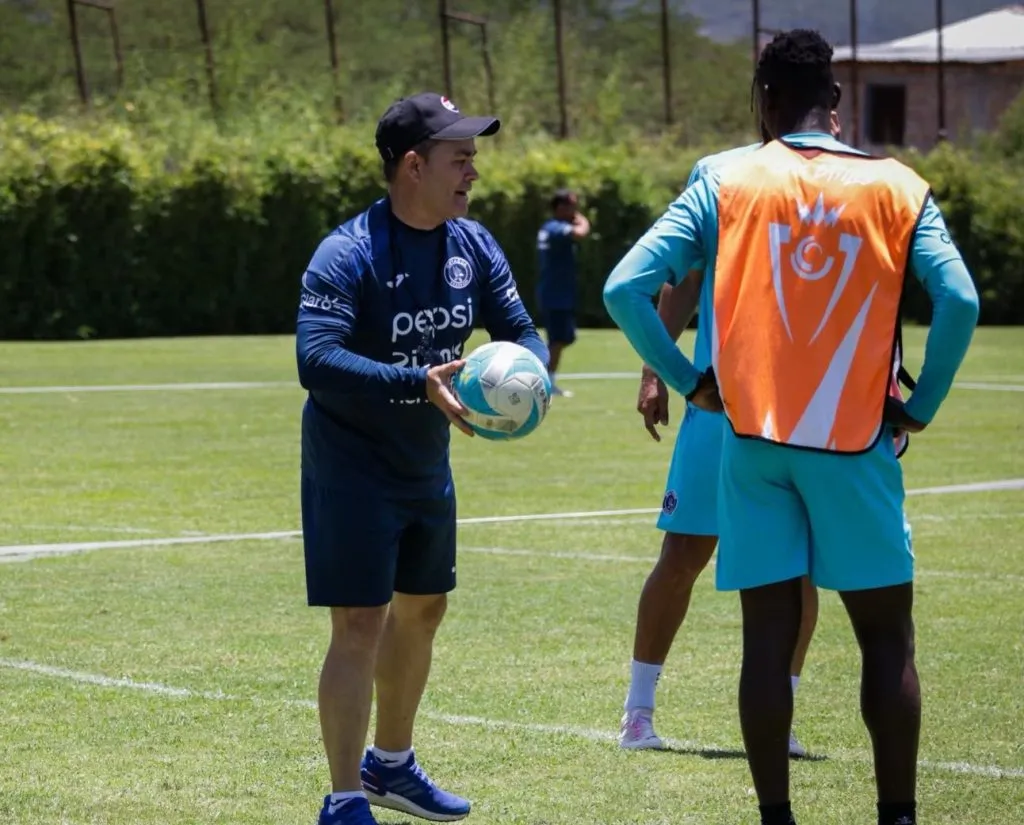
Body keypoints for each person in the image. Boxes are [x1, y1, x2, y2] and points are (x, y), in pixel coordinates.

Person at [604, 29, 979, 825]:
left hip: (754, 442)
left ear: (764, 101)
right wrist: (921, 404)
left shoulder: (725, 176)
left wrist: (686, 379)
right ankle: (898, 816)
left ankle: (777, 817)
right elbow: (961, 301)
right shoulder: (900, 185)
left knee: (765, 640)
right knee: (886, 639)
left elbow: (625, 287)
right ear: (836, 104)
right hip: (855, 442)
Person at [296, 91, 548, 825]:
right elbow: (315, 359)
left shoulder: (475, 246)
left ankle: (391, 766)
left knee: (424, 609)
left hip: (423, 462)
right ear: (413, 166)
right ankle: (343, 798)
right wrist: (420, 381)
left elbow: (522, 329)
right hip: (351, 463)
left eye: (472, 157)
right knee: (360, 622)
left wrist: (526, 373)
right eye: (459, 158)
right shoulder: (348, 253)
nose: (473, 171)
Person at [620, 131, 828, 759]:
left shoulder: (845, 179)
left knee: (798, 567)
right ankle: (637, 712)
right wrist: (657, 369)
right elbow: (682, 276)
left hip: (805, 411)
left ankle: (779, 719)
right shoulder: (719, 172)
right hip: (720, 404)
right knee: (683, 554)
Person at [536, 188, 590, 397]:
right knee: (558, 339)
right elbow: (581, 233)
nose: (575, 210)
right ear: (560, 208)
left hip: (556, 293)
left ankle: (546, 379)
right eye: (572, 206)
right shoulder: (557, 228)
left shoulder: (548, 228)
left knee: (562, 338)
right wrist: (581, 219)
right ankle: (545, 382)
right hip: (556, 295)